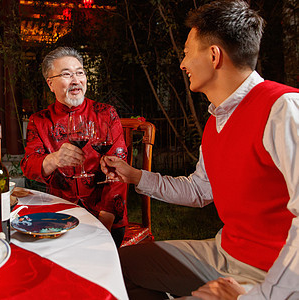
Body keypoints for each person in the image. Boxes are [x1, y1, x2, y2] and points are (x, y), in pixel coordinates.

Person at [101, 0, 299, 299]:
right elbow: (199, 191)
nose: (182, 64)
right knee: (113, 268)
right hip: (223, 254)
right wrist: (134, 176)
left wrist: (258, 296)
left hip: (273, 274)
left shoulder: (283, 109)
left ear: (214, 55)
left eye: (186, 53)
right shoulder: (217, 120)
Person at [21, 46, 128, 247]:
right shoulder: (40, 121)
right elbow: (28, 166)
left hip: (105, 215)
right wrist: (53, 159)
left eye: (80, 73)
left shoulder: (106, 114)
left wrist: (105, 219)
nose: (76, 80)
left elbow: (120, 170)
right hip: (59, 215)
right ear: (50, 84)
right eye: (67, 74)